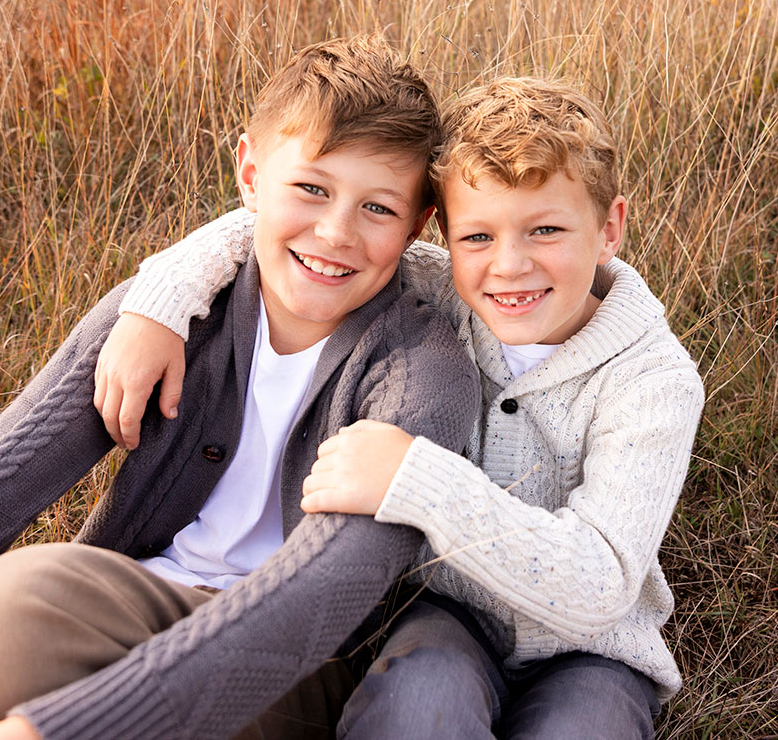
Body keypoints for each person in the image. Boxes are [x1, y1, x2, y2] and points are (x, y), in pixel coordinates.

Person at [0, 35, 480, 740]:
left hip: (290, 666)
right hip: (126, 597)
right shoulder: (166, 313)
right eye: (311, 188)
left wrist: (40, 731)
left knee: (13, 615)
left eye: (377, 208)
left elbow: (324, 593)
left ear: (417, 226)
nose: (336, 231)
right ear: (251, 173)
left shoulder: (423, 371)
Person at [96, 76, 706, 738]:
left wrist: (417, 480)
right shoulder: (443, 290)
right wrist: (158, 300)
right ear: (443, 234)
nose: (509, 266)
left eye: (547, 229)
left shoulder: (654, 379)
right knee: (413, 710)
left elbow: (599, 583)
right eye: (478, 237)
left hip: (594, 652)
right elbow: (280, 237)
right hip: (446, 615)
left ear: (609, 227)